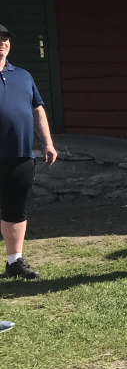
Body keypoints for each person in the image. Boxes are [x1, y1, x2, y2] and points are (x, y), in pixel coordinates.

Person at [0, 24, 56, 281]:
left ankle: (14, 261)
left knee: (16, 208)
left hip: (20, 154)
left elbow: (37, 109)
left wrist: (47, 142)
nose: (2, 43)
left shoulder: (23, 76)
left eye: (5, 39)